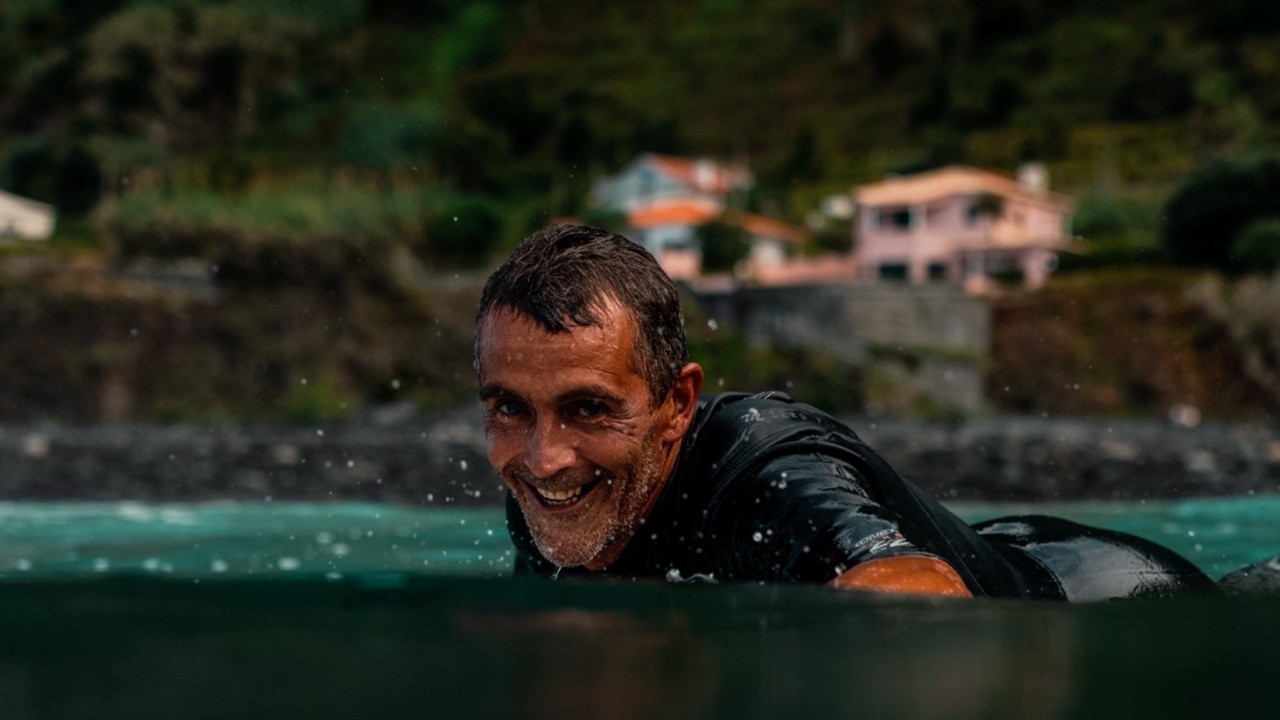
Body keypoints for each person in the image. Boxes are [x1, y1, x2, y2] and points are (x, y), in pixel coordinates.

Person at [473, 224, 1261, 600]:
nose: (543, 459)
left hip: (1102, 597)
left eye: (588, 410)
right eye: (511, 408)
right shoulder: (548, 494)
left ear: (676, 402)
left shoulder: (767, 469)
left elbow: (912, 585)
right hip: (992, 539)